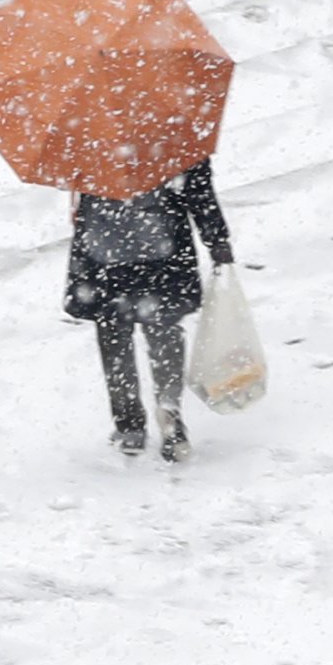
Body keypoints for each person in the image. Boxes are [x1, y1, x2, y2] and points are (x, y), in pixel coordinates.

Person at [64, 157, 234, 462]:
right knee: (164, 328)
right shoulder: (174, 131)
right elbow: (199, 191)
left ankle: (129, 423)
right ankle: (169, 407)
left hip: (106, 249)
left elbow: (80, 192)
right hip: (163, 244)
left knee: (114, 334)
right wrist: (217, 240)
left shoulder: (89, 132)